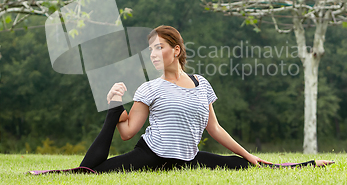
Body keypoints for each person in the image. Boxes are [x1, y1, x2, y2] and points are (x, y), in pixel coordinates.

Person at [78, 25, 334, 174]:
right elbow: (127, 132)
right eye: (151, 49)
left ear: (176, 50)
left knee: (240, 165)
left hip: (189, 159)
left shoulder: (201, 84)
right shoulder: (149, 88)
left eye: (159, 47)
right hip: (150, 156)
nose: (153, 54)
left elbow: (215, 129)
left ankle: (307, 164)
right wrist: (115, 105)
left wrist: (250, 156)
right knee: (91, 171)